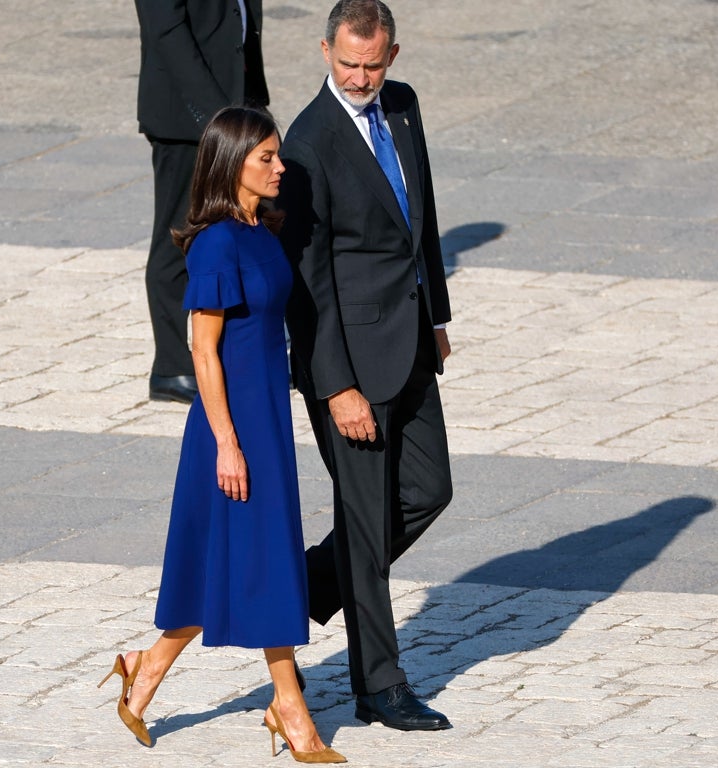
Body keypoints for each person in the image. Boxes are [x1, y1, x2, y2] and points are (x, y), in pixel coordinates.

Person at [99, 107, 346, 765]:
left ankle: (143, 671)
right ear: (232, 161)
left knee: (227, 565)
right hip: (229, 428)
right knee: (264, 559)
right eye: (265, 156)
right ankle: (290, 707)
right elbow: (202, 352)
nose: (279, 167)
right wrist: (228, 442)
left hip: (263, 417)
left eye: (276, 155)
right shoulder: (215, 243)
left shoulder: (260, 228)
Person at [277, 0, 455, 732]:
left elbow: (425, 218)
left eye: (371, 65)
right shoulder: (309, 143)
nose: (358, 77)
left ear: (393, 55)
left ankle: (305, 586)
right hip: (347, 362)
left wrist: (436, 314)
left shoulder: (403, 108)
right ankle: (378, 688)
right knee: (365, 515)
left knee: (428, 490)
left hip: (409, 339)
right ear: (325, 51)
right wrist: (336, 384)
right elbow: (307, 280)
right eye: (346, 63)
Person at [133, 1, 270, 403]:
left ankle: (238, 352)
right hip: (189, 119)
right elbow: (167, 32)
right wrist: (217, 117)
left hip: (234, 106)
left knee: (238, 227)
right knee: (180, 233)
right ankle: (173, 367)